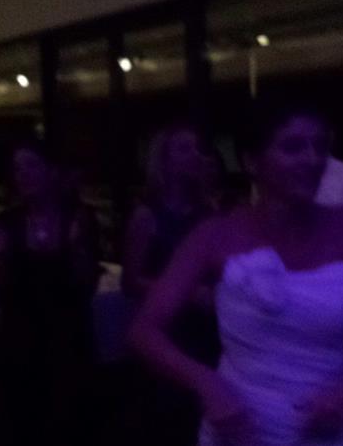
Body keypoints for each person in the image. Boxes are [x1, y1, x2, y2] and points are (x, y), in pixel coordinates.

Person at [129, 110, 343, 446]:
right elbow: (144, 330)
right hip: (239, 428)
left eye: (320, 146)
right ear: (251, 161)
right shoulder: (215, 235)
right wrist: (206, 383)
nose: (312, 159)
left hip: (330, 428)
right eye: (293, 147)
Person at [0, 141, 99, 446]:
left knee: (72, 424)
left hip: (68, 339)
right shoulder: (8, 222)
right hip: (20, 340)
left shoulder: (78, 217)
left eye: (32, 165)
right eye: (17, 168)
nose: (23, 174)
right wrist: (0, 254)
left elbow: (87, 285)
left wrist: (77, 247)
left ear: (52, 171)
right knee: (25, 423)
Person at [122, 124, 219, 446]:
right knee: (169, 420)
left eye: (197, 149)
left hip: (205, 330)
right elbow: (130, 281)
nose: (195, 156)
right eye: (184, 149)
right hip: (165, 331)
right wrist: (187, 293)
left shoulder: (208, 211)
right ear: (163, 161)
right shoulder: (146, 216)